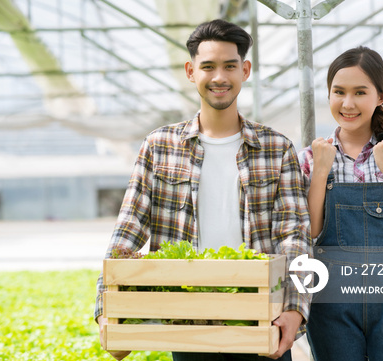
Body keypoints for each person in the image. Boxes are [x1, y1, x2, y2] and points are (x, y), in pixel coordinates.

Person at [94, 19, 311, 361]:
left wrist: (295, 310)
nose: (220, 77)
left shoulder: (276, 148)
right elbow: (128, 229)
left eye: (230, 66)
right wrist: (107, 307)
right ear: (191, 71)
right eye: (208, 66)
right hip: (187, 320)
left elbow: (295, 235)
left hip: (259, 319)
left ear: (245, 70)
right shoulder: (159, 146)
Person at [298, 46, 383, 361]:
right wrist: (320, 172)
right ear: (329, 95)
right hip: (330, 300)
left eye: (360, 92)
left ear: (380, 97)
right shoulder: (310, 158)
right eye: (339, 92)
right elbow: (310, 235)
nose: (348, 103)